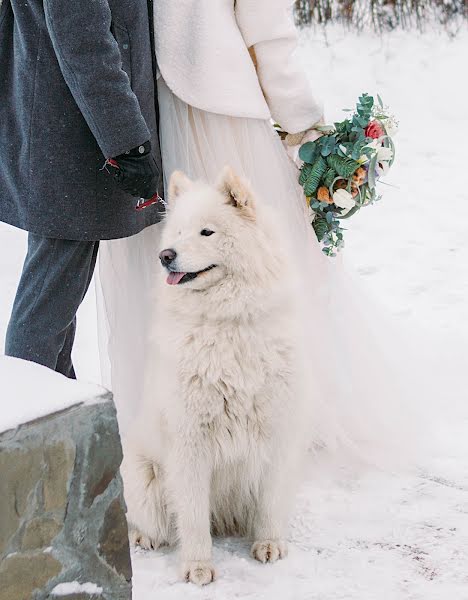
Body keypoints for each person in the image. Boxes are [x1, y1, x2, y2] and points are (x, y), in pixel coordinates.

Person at [98, 0, 421, 457]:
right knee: (263, 268)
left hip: (140, 113)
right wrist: (305, 127)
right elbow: (269, 35)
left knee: (170, 278)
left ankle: (186, 427)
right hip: (217, 110)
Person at [0, 0, 164, 378]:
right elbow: (83, 40)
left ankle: (54, 412)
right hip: (70, 135)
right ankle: (31, 422)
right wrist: (128, 142)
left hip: (54, 125)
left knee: (53, 306)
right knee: (44, 313)